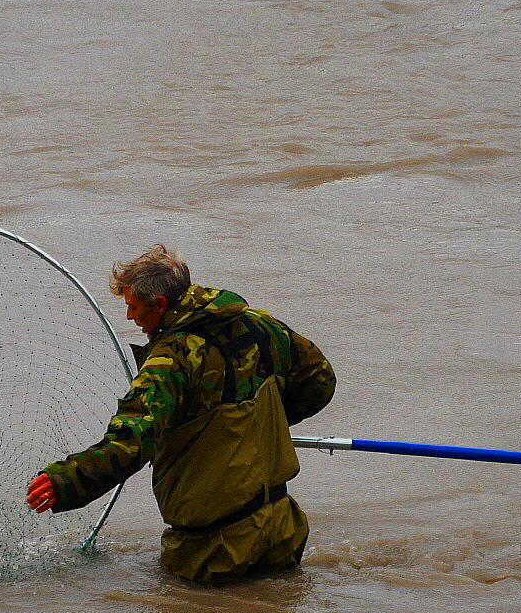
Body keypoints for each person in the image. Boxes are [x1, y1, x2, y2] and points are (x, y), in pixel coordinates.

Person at [26, 245, 336, 583]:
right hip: (282, 528)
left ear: (159, 305)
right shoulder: (258, 324)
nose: (130, 317)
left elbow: (131, 443)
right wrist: (258, 423)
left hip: (213, 549)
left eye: (132, 307)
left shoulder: (169, 361)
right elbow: (319, 380)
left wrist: (67, 480)